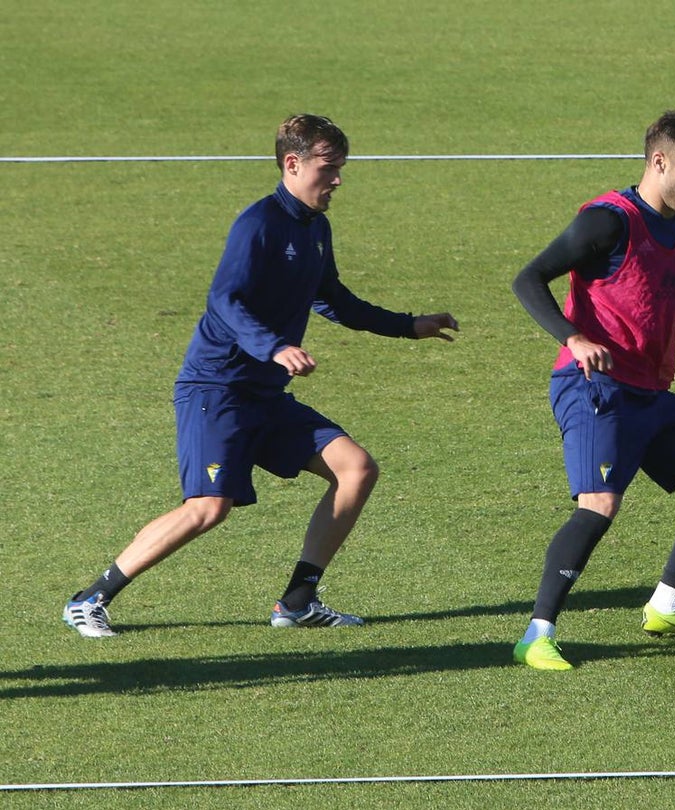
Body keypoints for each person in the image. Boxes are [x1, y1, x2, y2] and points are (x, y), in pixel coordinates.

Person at [63, 114, 459, 637]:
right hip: (218, 390)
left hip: (266, 394)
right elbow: (224, 299)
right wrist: (273, 347)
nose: (338, 179)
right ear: (292, 164)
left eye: (341, 167)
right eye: (329, 167)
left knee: (356, 469)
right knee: (208, 509)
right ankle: (90, 599)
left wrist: (409, 326)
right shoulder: (259, 224)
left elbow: (334, 300)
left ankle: (298, 601)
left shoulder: (316, 228)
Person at [510, 110, 675, 670]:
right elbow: (528, 278)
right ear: (659, 161)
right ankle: (536, 634)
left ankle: (669, 603)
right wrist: (573, 337)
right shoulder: (607, 221)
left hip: (649, 393)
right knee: (599, 503)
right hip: (593, 386)